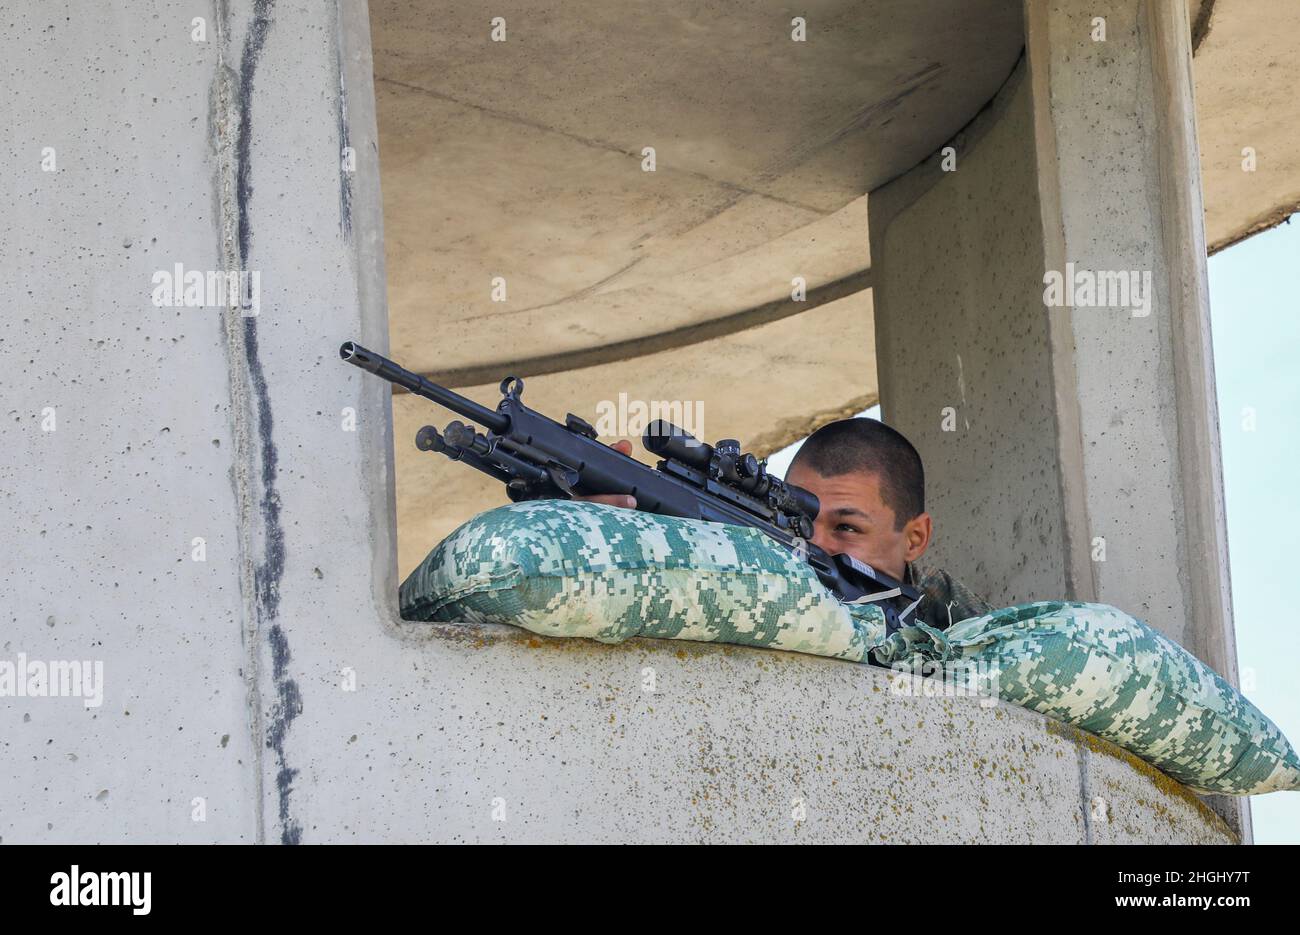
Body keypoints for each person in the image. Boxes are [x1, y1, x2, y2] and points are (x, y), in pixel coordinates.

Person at [579, 418, 994, 630]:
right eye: (800, 521)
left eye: (847, 528)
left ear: (915, 538)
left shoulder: (955, 624)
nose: (813, 544)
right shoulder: (744, 575)